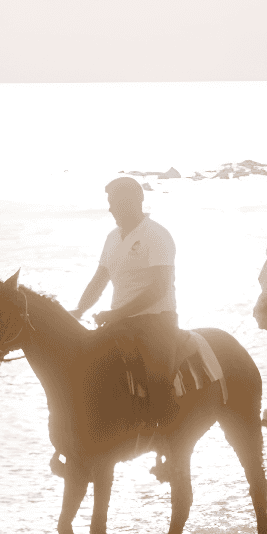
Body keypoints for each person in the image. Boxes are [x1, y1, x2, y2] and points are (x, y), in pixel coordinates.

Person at [72, 177, 181, 427]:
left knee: (156, 377)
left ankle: (166, 436)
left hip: (156, 321)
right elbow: (99, 280)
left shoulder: (157, 235)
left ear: (136, 202)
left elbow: (159, 288)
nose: (111, 209)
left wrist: (117, 314)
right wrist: (79, 309)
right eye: (110, 203)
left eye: (116, 203)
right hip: (120, 322)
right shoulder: (112, 238)